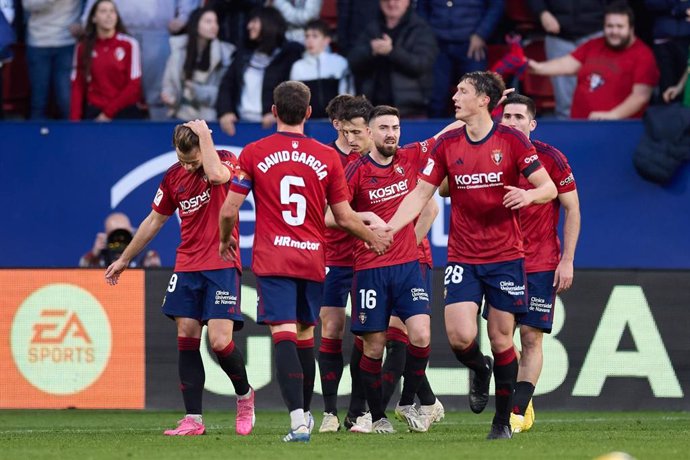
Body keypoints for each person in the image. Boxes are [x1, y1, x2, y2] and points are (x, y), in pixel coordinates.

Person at [218, 80, 391, 442]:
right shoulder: (327, 157)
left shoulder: (253, 152)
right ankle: (308, 416)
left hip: (273, 257)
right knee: (305, 336)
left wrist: (224, 240)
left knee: (282, 334)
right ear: (309, 113)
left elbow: (229, 209)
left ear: (274, 111)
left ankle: (298, 419)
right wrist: (372, 237)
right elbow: (344, 217)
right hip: (314, 259)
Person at [387, 71, 557, 439]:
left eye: (462, 91)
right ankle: (480, 369)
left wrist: (528, 195)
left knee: (501, 338)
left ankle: (501, 423)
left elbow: (548, 187)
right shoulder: (447, 145)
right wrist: (391, 227)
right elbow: (419, 194)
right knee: (461, 337)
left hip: (506, 256)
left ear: (483, 100)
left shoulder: (512, 140)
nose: (454, 97)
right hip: (464, 255)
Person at [104, 120, 255, 437]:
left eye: (192, 159)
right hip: (187, 265)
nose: (187, 166)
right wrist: (125, 258)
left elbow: (216, 176)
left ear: (204, 146)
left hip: (222, 262)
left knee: (219, 341)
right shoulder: (173, 177)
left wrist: (205, 136)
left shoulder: (223, 158)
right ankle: (193, 420)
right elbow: (153, 221)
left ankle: (244, 396)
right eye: (181, 159)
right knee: (186, 335)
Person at [339, 105, 434, 434]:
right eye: (384, 128)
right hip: (370, 270)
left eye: (395, 127)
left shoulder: (409, 158)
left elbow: (446, 135)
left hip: (408, 266)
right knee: (374, 346)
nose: (391, 133)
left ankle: (407, 402)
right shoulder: (355, 171)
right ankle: (377, 416)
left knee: (421, 334)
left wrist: (486, 105)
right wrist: (366, 222)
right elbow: (329, 215)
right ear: (370, 133)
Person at [499, 93, 580, 433]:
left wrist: (567, 261)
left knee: (531, 337)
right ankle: (519, 394)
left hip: (541, 261)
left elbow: (572, 208)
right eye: (507, 116)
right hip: (499, 260)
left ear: (532, 124)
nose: (513, 122)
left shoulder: (551, 158)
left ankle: (517, 411)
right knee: (500, 337)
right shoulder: (489, 156)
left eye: (520, 117)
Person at [528, 2, 659, 120]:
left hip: (618, 129)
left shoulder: (643, 55)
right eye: (609, 26)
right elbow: (566, 64)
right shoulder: (594, 44)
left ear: (631, 28)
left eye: (620, 27)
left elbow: (641, 97)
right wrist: (537, 67)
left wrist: (612, 116)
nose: (614, 31)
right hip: (579, 126)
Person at [81, 0, 200, 120]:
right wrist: (86, 21)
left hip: (156, 33)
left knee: (158, 95)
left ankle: (160, 135)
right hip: (118, 31)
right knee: (118, 89)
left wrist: (183, 17)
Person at [216, 6, 303, 136]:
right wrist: (225, 112)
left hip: (273, 126)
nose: (249, 26)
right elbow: (227, 85)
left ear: (268, 24)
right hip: (241, 125)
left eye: (254, 22)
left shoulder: (289, 55)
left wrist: (279, 113)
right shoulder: (243, 54)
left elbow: (295, 92)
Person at [347, 0, 437, 118]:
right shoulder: (371, 28)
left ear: (407, 2)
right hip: (372, 109)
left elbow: (421, 65)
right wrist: (371, 51)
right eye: (386, 0)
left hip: (410, 110)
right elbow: (353, 62)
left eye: (397, 0)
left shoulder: (421, 29)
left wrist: (392, 52)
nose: (391, 3)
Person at [417, 0, 505, 118]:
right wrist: (427, 35)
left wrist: (481, 34)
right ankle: (436, 134)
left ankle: (477, 135)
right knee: (435, 98)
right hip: (437, 44)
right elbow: (421, 7)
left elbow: (496, 5)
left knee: (477, 95)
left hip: (472, 44)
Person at [525, 0, 605, 118]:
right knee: (565, 104)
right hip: (559, 35)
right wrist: (542, 12)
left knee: (600, 99)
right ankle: (566, 133)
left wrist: (610, 21)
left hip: (595, 31)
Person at [70, 0, 143, 121]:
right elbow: (77, 85)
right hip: (94, 111)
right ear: (94, 18)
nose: (109, 15)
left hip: (124, 112)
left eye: (112, 11)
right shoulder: (83, 47)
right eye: (103, 11)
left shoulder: (129, 44)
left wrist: (107, 114)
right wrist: (75, 121)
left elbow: (134, 86)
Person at [161, 7, 235, 121]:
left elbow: (223, 92)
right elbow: (168, 83)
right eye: (208, 22)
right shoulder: (178, 50)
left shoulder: (225, 53)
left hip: (209, 118)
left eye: (216, 22)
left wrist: (196, 90)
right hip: (179, 116)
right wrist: (169, 96)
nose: (214, 26)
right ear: (196, 24)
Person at [23, 0, 81, 119]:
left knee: (66, 100)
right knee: (38, 100)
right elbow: (27, 5)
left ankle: (71, 135)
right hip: (38, 42)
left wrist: (83, 23)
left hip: (68, 42)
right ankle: (36, 135)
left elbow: (92, 4)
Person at [289, 19, 352, 118]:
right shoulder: (297, 67)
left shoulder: (340, 63)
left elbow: (347, 96)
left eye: (315, 36)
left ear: (327, 40)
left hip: (335, 123)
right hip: (307, 124)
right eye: (307, 36)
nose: (310, 40)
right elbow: (295, 100)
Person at [80, 212, 161, 268]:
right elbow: (82, 276)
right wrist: (94, 255)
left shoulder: (145, 254)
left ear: (131, 232)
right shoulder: (102, 254)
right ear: (107, 235)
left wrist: (138, 243)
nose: (120, 239)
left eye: (123, 234)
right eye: (115, 235)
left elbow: (155, 277)